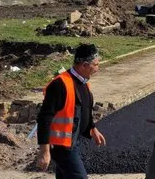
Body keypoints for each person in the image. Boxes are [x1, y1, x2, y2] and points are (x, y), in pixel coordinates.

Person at [35, 43, 106, 179]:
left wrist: (92, 128)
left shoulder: (83, 83)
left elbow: (83, 109)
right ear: (84, 65)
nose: (98, 69)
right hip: (61, 147)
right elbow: (44, 118)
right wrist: (44, 151)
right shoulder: (60, 85)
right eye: (96, 65)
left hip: (73, 142)